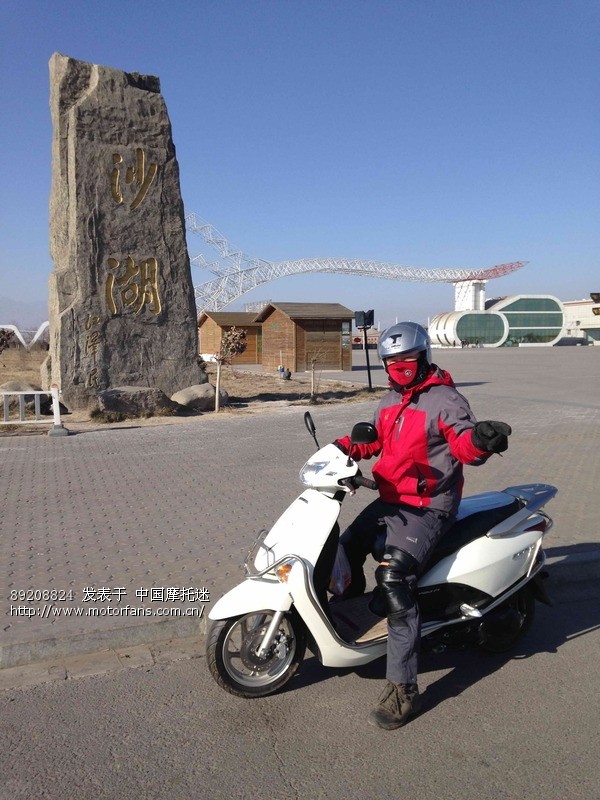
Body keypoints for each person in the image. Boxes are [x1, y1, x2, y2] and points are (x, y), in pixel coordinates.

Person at [333, 321, 511, 731]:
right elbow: (375, 441)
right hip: (391, 498)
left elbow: (463, 445)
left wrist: (482, 443)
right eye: (391, 362)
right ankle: (354, 611)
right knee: (346, 546)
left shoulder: (446, 400)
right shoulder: (390, 400)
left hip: (429, 506)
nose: (399, 368)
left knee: (395, 581)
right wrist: (345, 446)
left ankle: (402, 687)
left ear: (424, 357)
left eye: (407, 360)